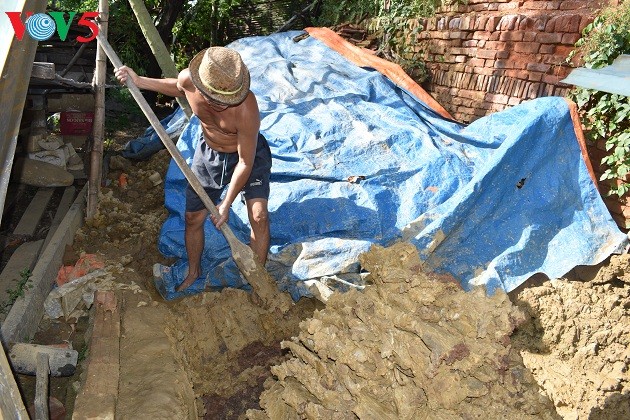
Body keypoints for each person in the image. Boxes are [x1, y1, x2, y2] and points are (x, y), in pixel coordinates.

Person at [115, 47, 272, 292]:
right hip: (209, 156)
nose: (222, 105)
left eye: (227, 100)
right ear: (202, 87)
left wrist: (226, 203)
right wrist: (139, 81)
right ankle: (193, 271)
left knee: (259, 216)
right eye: (216, 99)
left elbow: (245, 162)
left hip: (247, 156)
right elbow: (176, 87)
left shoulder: (246, 108)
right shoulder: (189, 80)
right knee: (192, 218)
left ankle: (257, 280)